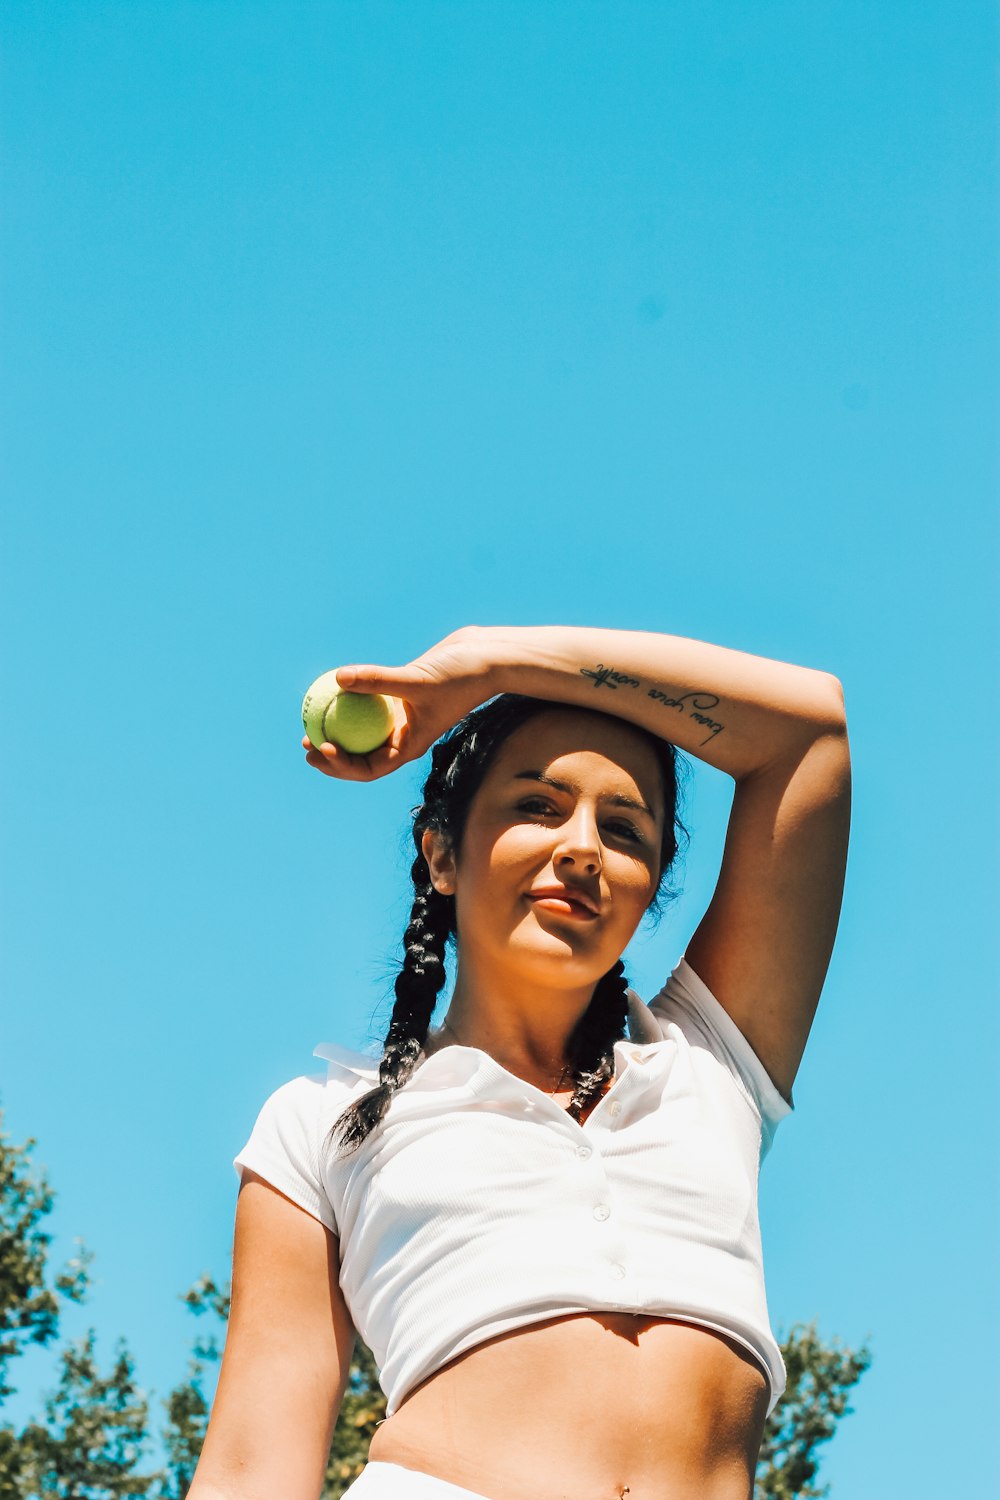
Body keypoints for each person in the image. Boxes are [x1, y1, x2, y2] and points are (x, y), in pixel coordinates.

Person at [190, 624, 851, 1500]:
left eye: (625, 829)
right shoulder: (320, 1120)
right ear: (442, 855)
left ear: (651, 885)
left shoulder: (709, 1063)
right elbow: (250, 1468)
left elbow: (809, 735)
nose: (581, 847)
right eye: (538, 806)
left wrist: (484, 661)